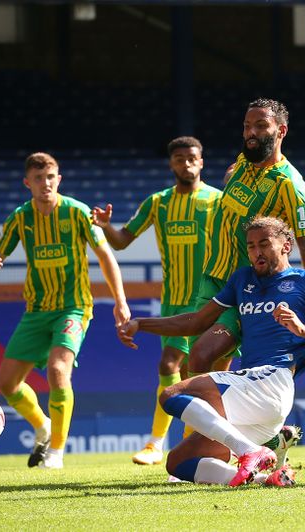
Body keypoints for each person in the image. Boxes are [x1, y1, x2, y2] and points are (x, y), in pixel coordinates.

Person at [116, 216, 305, 487]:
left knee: (173, 393)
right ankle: (267, 477)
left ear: (286, 245)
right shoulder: (243, 279)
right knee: (179, 462)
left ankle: (250, 451)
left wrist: (302, 329)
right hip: (254, 401)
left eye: (264, 244)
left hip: (273, 380)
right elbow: (197, 321)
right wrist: (140, 323)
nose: (256, 252)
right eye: (251, 246)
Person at [0, 152, 130, 469]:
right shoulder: (20, 217)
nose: (45, 184)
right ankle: (42, 426)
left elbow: (105, 256)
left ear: (58, 179)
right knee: (7, 384)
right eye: (38, 179)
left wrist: (120, 301)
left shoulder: (77, 212)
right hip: (36, 310)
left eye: (50, 177)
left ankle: (56, 451)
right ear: (27, 183)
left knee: (58, 371)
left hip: (72, 308)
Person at [91, 136, 222, 465]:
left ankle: (161, 443)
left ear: (201, 162)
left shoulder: (218, 201)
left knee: (176, 365)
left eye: (192, 158)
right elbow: (122, 241)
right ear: (171, 164)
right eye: (179, 159)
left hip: (206, 300)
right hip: (172, 301)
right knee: (182, 369)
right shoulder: (158, 203)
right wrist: (106, 227)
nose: (186, 163)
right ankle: (178, 443)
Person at [187, 98, 305, 388]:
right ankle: (233, 432)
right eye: (247, 126)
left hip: (248, 291)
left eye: (261, 126)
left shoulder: (291, 186)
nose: (252, 132)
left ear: (281, 131)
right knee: (209, 374)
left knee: (200, 358)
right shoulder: (240, 165)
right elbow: (233, 185)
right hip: (212, 279)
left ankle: (229, 431)